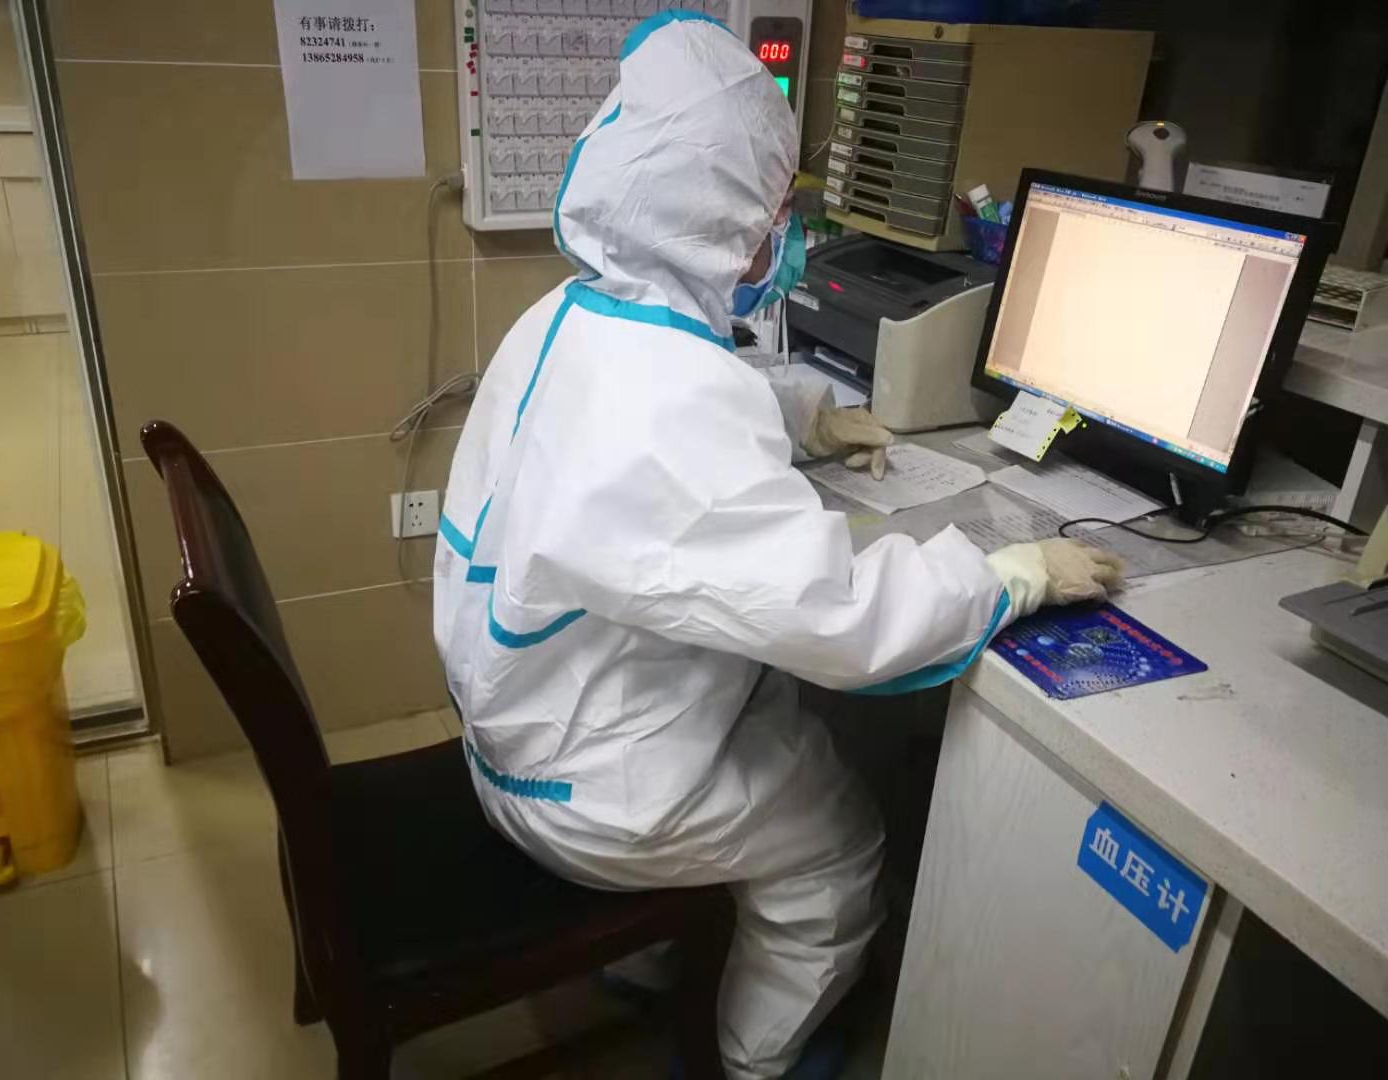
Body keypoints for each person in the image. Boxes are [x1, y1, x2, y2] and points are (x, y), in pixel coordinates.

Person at [433, 13, 1123, 1079]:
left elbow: (685, 403)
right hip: (594, 792)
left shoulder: (567, 315)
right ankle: (759, 1059)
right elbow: (836, 617)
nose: (781, 237)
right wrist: (1009, 576)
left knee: (780, 722)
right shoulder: (671, 403)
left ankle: (650, 961)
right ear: (712, 223)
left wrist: (809, 416)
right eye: (772, 215)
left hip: (515, 727)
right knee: (840, 846)